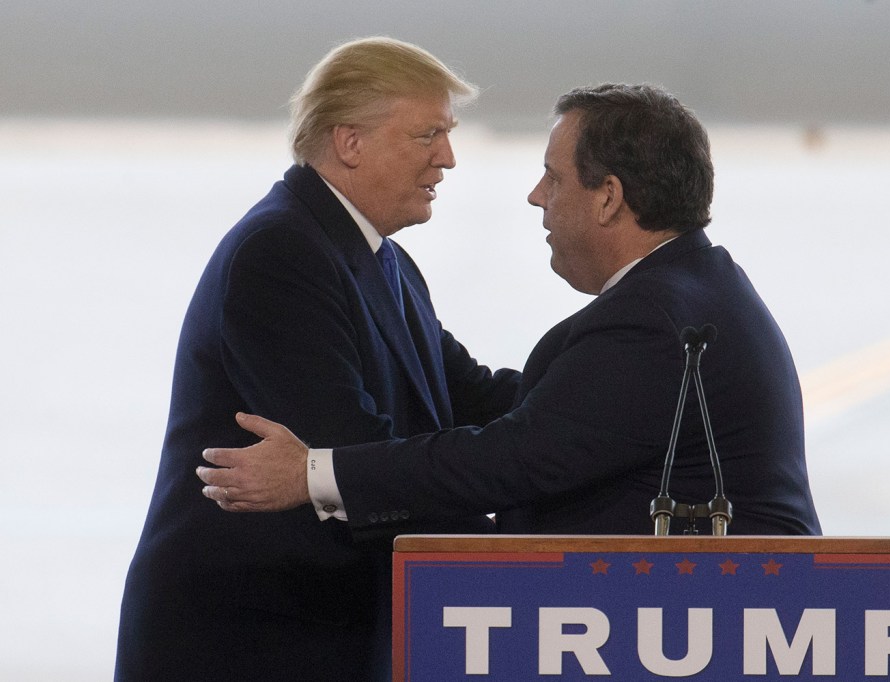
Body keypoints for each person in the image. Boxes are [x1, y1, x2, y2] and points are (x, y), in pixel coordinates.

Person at [199, 83, 821, 536]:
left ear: (608, 199)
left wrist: (312, 476)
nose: (535, 197)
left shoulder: (654, 322)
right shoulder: (688, 291)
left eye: (553, 178)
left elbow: (514, 459)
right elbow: (530, 416)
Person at [115, 38, 520, 681]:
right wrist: (512, 540)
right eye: (427, 135)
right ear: (349, 142)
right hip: (244, 639)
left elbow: (468, 394)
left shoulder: (382, 259)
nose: (447, 158)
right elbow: (350, 451)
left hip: (312, 629)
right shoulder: (279, 253)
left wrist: (606, 407)